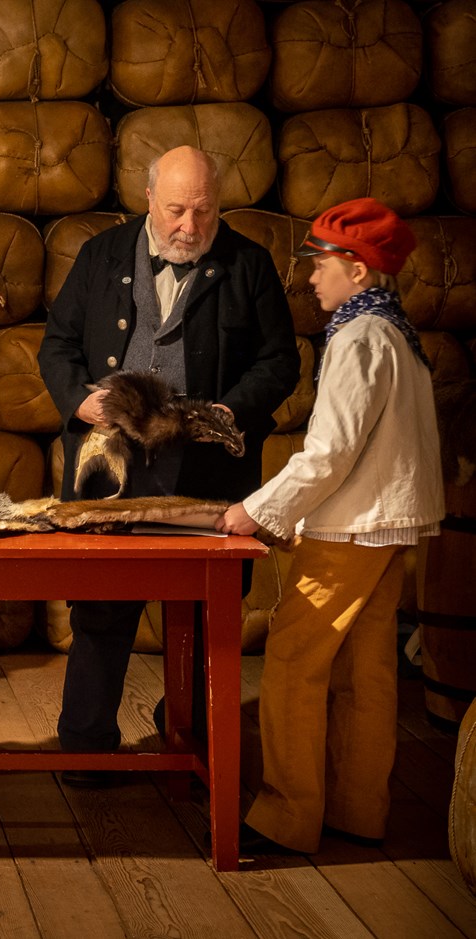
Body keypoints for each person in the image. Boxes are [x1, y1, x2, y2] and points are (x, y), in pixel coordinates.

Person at [37, 145, 301, 785]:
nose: (189, 226)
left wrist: (219, 416)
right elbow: (58, 346)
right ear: (148, 199)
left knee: (211, 615)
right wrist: (80, 400)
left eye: (203, 211)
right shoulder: (102, 255)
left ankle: (198, 736)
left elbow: (279, 365)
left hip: (207, 473)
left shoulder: (249, 264)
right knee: (101, 606)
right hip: (110, 469)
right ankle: (86, 746)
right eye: (177, 210)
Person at [216, 198, 444, 855]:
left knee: (291, 660)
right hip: (390, 524)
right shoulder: (394, 331)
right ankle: (357, 809)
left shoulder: (357, 338)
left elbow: (330, 451)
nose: (310, 278)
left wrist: (258, 509)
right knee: (366, 671)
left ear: (360, 271)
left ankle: (286, 817)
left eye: (322, 265)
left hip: (352, 528)